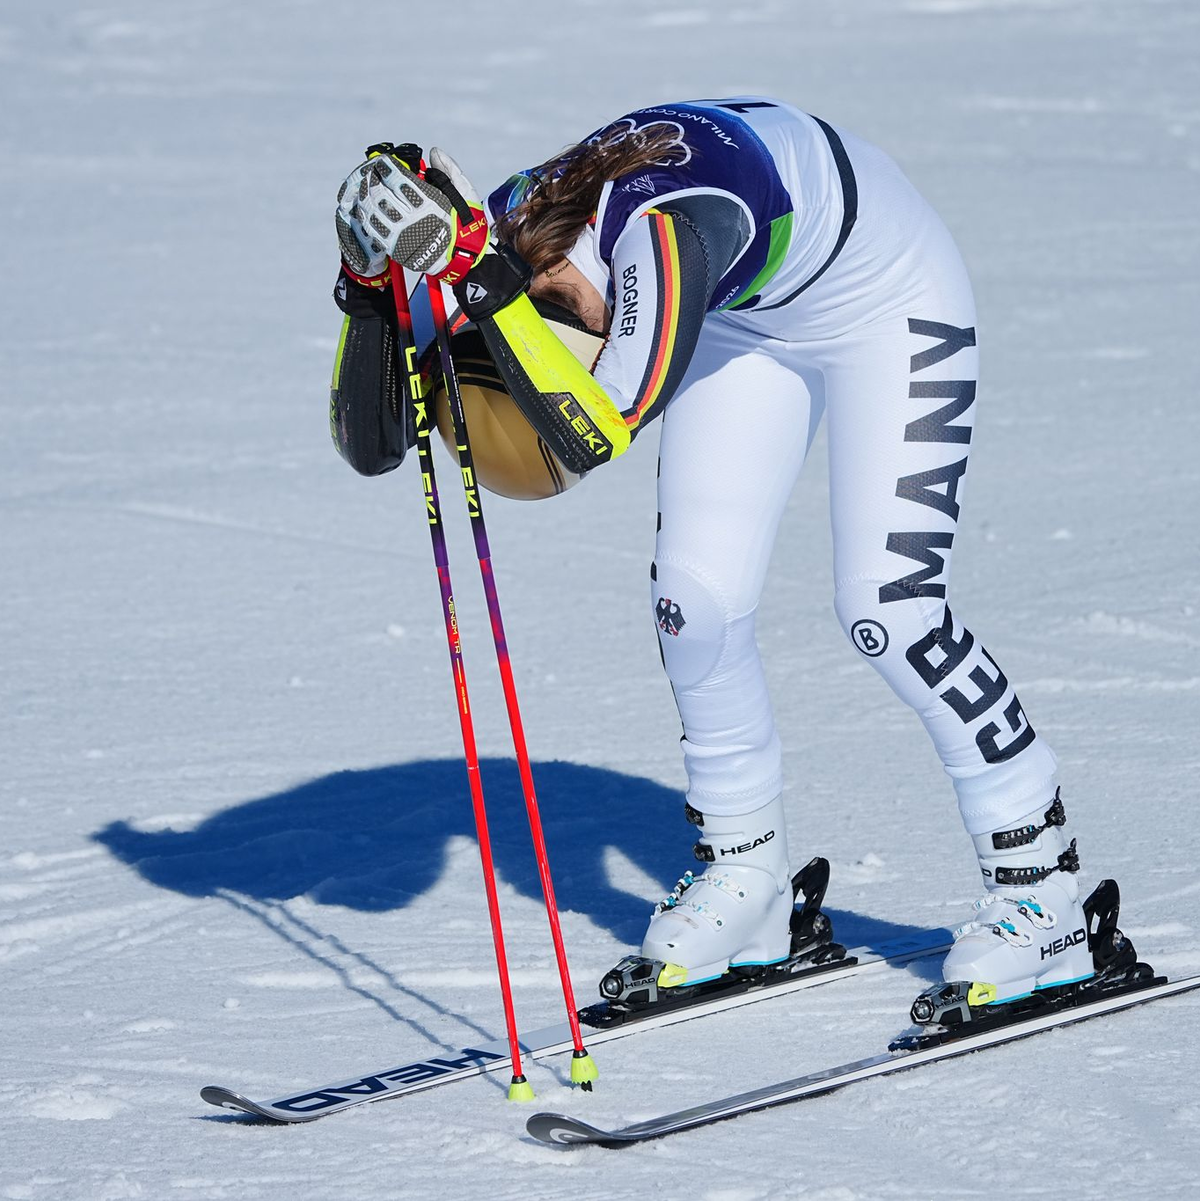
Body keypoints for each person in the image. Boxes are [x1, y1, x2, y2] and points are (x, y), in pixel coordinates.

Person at [327, 98, 1094, 1009]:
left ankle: (1044, 897)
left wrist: (491, 301)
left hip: (888, 301)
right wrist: (368, 293)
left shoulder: (670, 237)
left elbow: (585, 435)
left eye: (584, 337)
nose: (592, 347)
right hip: (745, 317)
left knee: (891, 609)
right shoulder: (509, 234)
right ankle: (747, 882)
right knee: (692, 605)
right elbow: (375, 444)